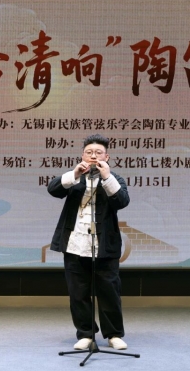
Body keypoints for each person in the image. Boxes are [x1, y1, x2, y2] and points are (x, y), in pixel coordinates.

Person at [47, 134, 130, 350]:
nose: (93, 156)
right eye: (89, 152)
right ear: (82, 155)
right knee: (78, 292)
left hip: (104, 246)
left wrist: (106, 176)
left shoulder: (114, 179)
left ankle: (113, 334)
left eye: (98, 153)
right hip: (75, 244)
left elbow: (122, 201)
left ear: (106, 157)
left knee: (109, 291)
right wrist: (74, 174)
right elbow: (53, 189)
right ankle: (85, 334)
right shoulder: (75, 177)